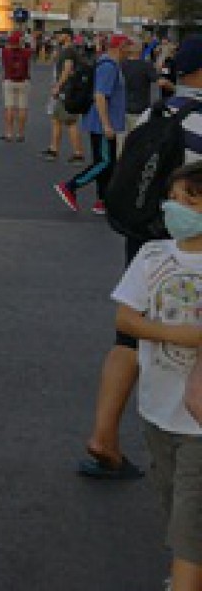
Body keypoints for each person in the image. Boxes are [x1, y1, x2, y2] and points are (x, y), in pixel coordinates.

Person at [78, 37, 202, 484]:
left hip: (149, 238)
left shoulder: (156, 112)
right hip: (192, 249)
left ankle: (103, 435)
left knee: (127, 337)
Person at [110, 159, 202, 591]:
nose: (174, 208)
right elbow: (126, 320)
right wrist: (178, 334)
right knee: (171, 503)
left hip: (198, 419)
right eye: (172, 199)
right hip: (157, 407)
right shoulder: (152, 256)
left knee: (190, 516)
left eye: (187, 201)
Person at [53, 34, 132, 215]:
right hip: (102, 122)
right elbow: (100, 95)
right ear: (119, 47)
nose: (130, 50)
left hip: (103, 121)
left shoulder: (108, 64)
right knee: (105, 161)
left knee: (105, 162)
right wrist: (106, 124)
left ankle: (102, 200)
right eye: (127, 46)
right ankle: (71, 185)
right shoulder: (109, 67)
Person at [44, 35, 88, 163]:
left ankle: (77, 153)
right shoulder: (67, 50)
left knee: (69, 121)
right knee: (57, 119)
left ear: (67, 37)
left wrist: (58, 86)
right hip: (68, 91)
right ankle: (54, 148)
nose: (57, 37)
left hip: (67, 91)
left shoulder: (69, 52)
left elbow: (67, 69)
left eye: (60, 35)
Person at [0, 30, 32, 143]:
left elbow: (5, 47)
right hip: (23, 81)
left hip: (9, 81)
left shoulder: (5, 52)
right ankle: (20, 133)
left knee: (9, 107)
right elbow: (31, 49)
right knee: (22, 108)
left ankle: (9, 133)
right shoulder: (26, 53)